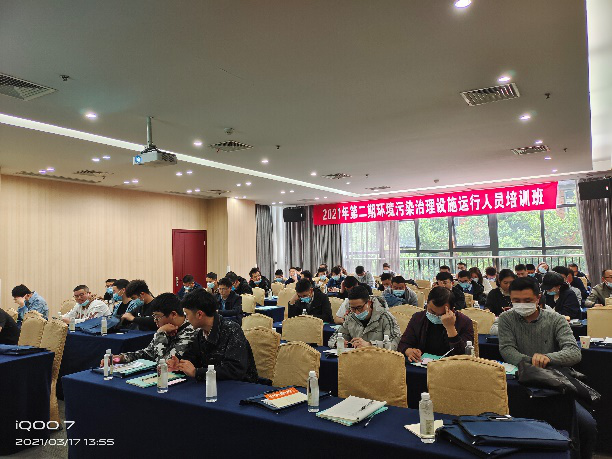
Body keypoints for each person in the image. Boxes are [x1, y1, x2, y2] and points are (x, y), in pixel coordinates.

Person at [498, 277, 595, 459]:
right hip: (521, 384)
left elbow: (574, 352)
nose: (521, 305)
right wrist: (533, 361)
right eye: (516, 300)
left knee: (587, 426)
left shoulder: (555, 319)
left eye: (527, 300)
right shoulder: (506, 319)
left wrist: (548, 358)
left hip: (554, 383)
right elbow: (507, 350)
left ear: (538, 298)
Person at [167, 288, 258, 383]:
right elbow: (192, 356)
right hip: (213, 383)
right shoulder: (201, 333)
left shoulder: (232, 330)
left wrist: (196, 372)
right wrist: (180, 363)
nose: (186, 319)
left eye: (187, 314)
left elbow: (234, 370)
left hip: (240, 385)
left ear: (199, 314)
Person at [108, 293, 196, 364]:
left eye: (157, 317)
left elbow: (163, 363)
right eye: (153, 317)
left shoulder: (190, 332)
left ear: (173, 314)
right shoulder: (166, 328)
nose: (155, 320)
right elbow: (148, 353)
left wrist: (161, 333)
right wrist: (120, 358)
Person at [398, 286, 474, 361]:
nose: (436, 316)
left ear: (452, 310)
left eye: (442, 314)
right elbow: (403, 343)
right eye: (432, 312)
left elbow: (463, 355)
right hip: (421, 363)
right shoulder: (418, 318)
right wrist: (408, 351)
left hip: (451, 365)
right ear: (427, 303)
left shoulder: (464, 322)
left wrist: (450, 328)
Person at [329, 286, 400, 349]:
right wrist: (337, 342)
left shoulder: (386, 317)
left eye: (360, 307)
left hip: (378, 357)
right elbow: (334, 338)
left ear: (369, 303)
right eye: (353, 308)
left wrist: (370, 345)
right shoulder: (350, 317)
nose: (357, 312)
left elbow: (394, 344)